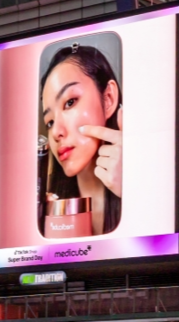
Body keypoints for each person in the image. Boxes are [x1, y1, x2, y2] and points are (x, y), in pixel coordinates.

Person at [40, 44, 124, 235]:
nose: (56, 133)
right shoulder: (48, 216)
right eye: (50, 122)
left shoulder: (153, 188)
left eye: (70, 103)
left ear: (108, 99)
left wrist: (134, 189)